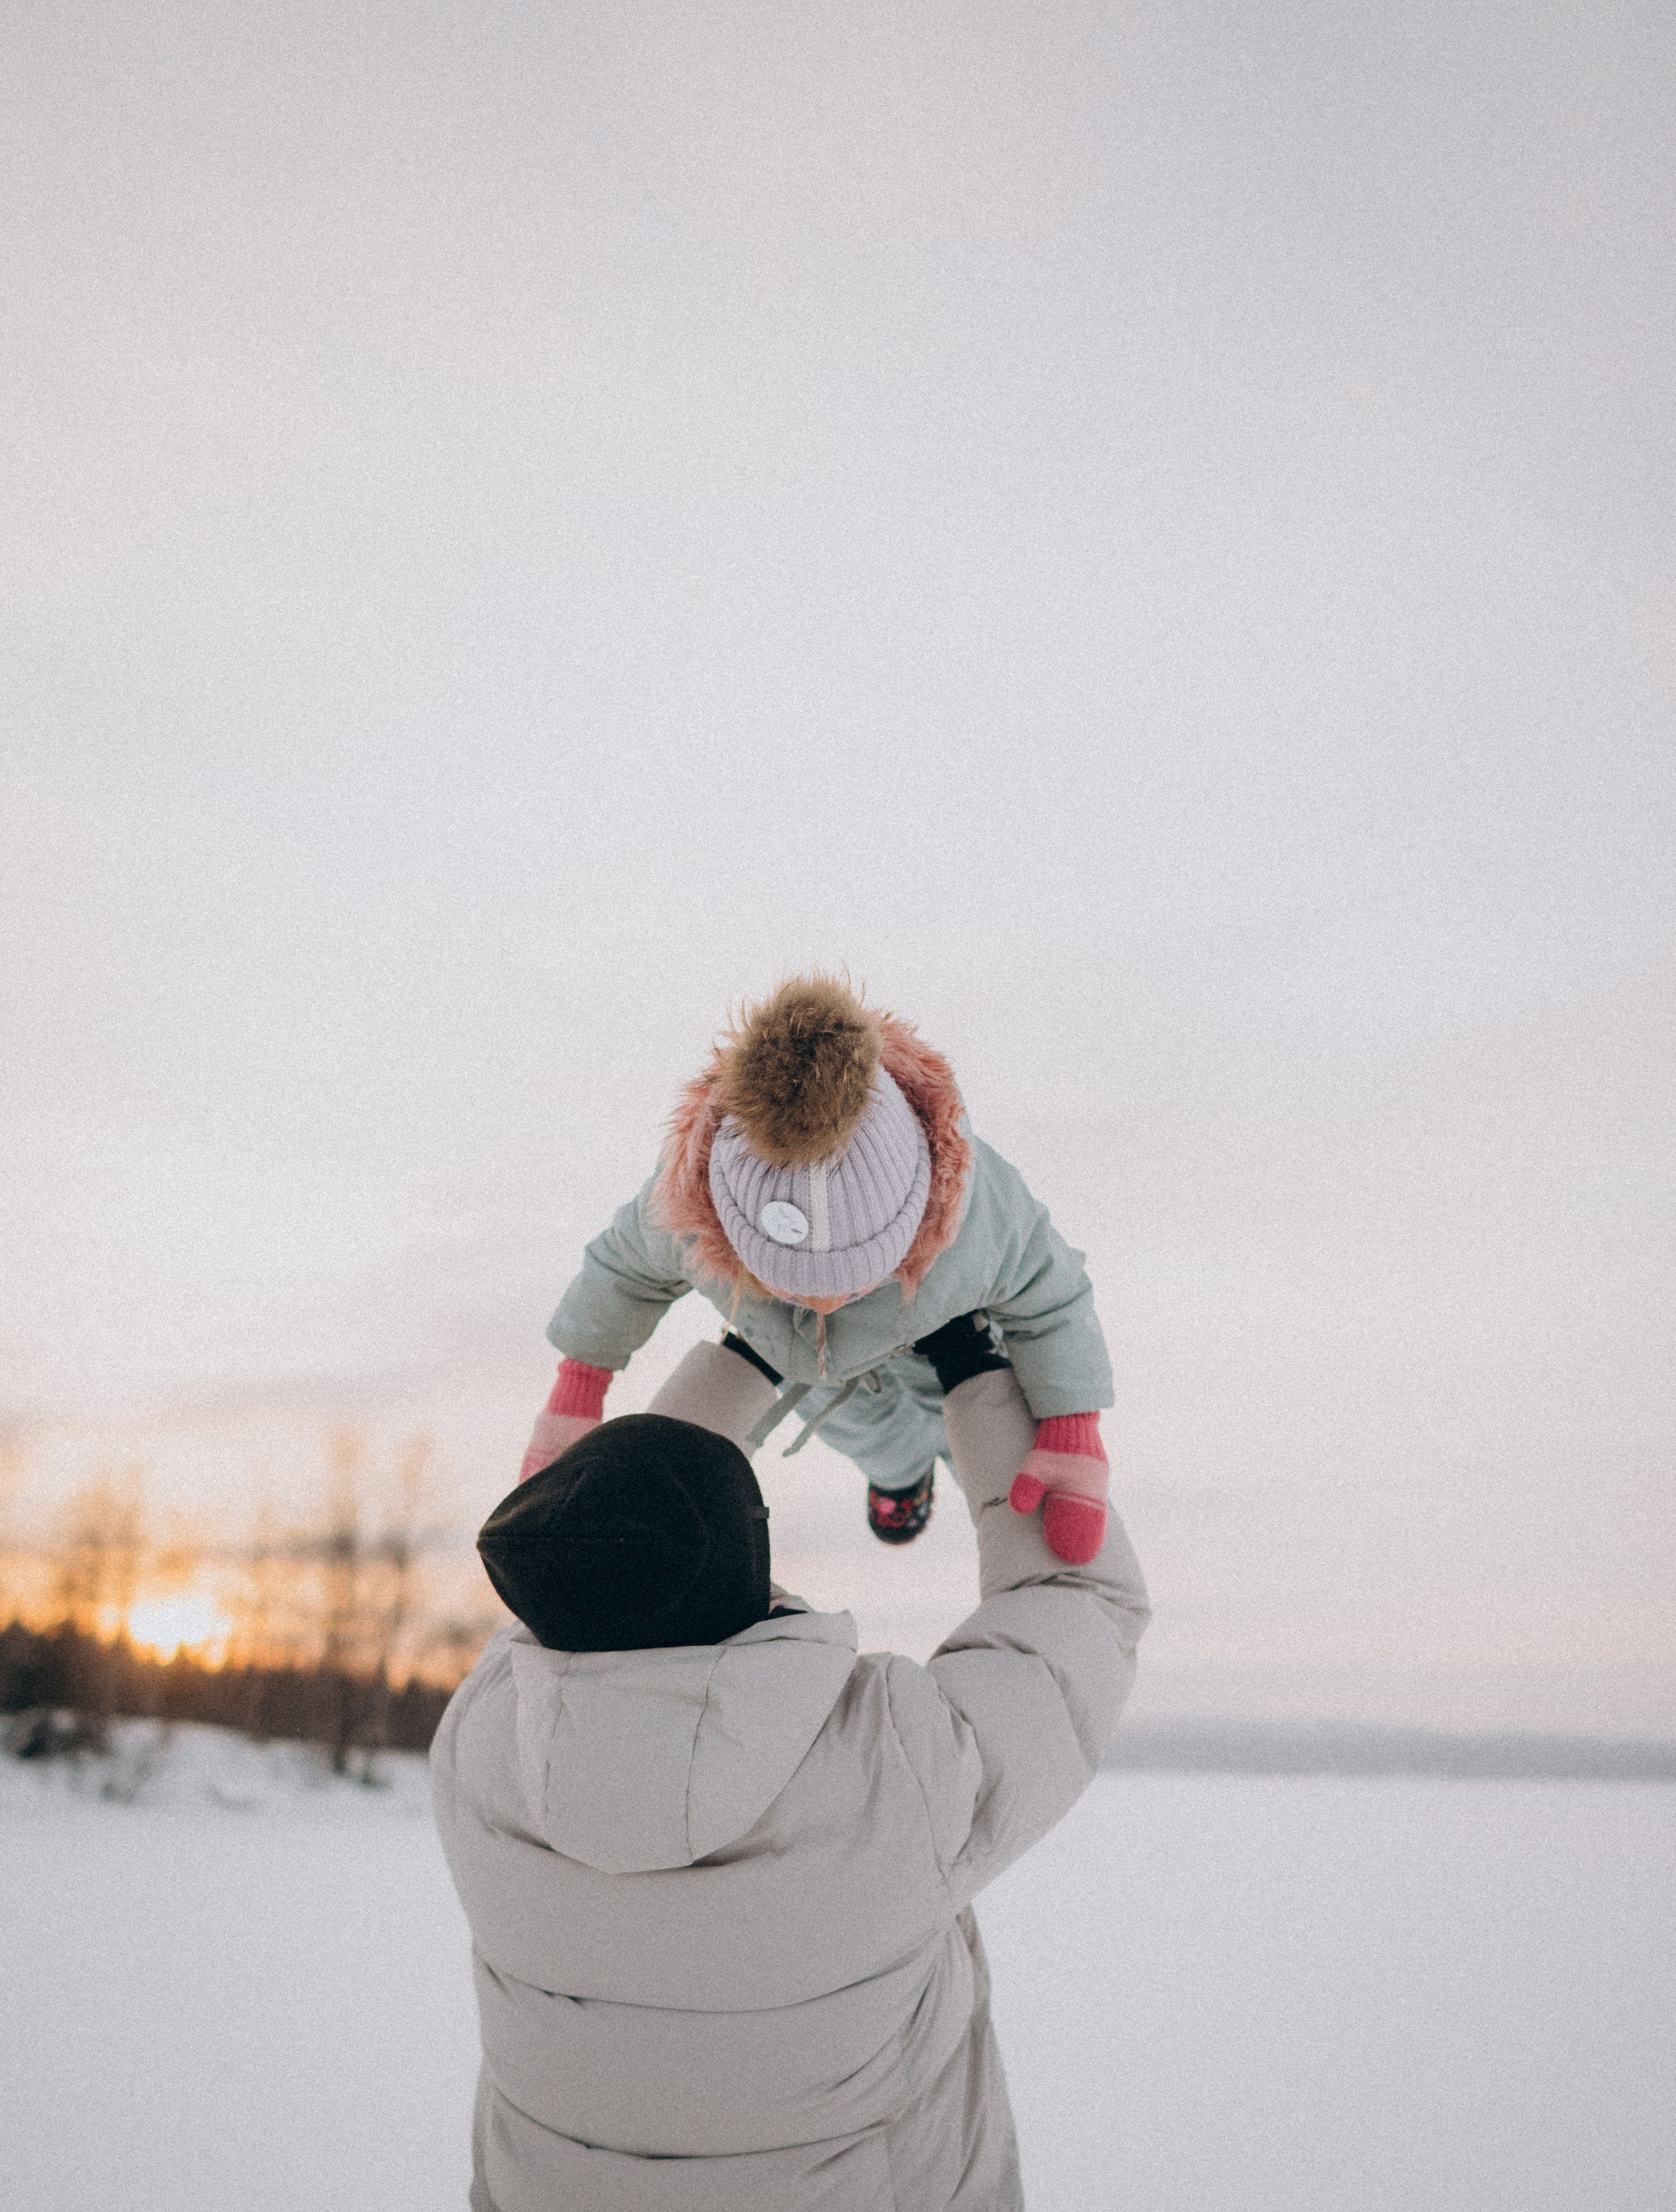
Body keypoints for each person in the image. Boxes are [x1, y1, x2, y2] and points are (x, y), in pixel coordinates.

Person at [432, 1376, 1150, 2211]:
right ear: (748, 1552)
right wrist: (974, 1376)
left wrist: (743, 1356)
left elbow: (604, 1527)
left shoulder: (481, 1747)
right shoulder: (893, 1767)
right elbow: (1077, 1600)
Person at [522, 974, 1114, 1561]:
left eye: (858, 1277)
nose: (829, 1302)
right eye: (794, 1284)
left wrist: (1071, 1426)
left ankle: (958, 1461)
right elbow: (620, 1274)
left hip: (941, 1322)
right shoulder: (683, 1210)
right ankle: (900, 1477)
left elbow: (1054, 1299)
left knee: (973, 1420)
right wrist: (578, 1389)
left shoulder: (979, 1217)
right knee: (864, 1429)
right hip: (800, 1353)